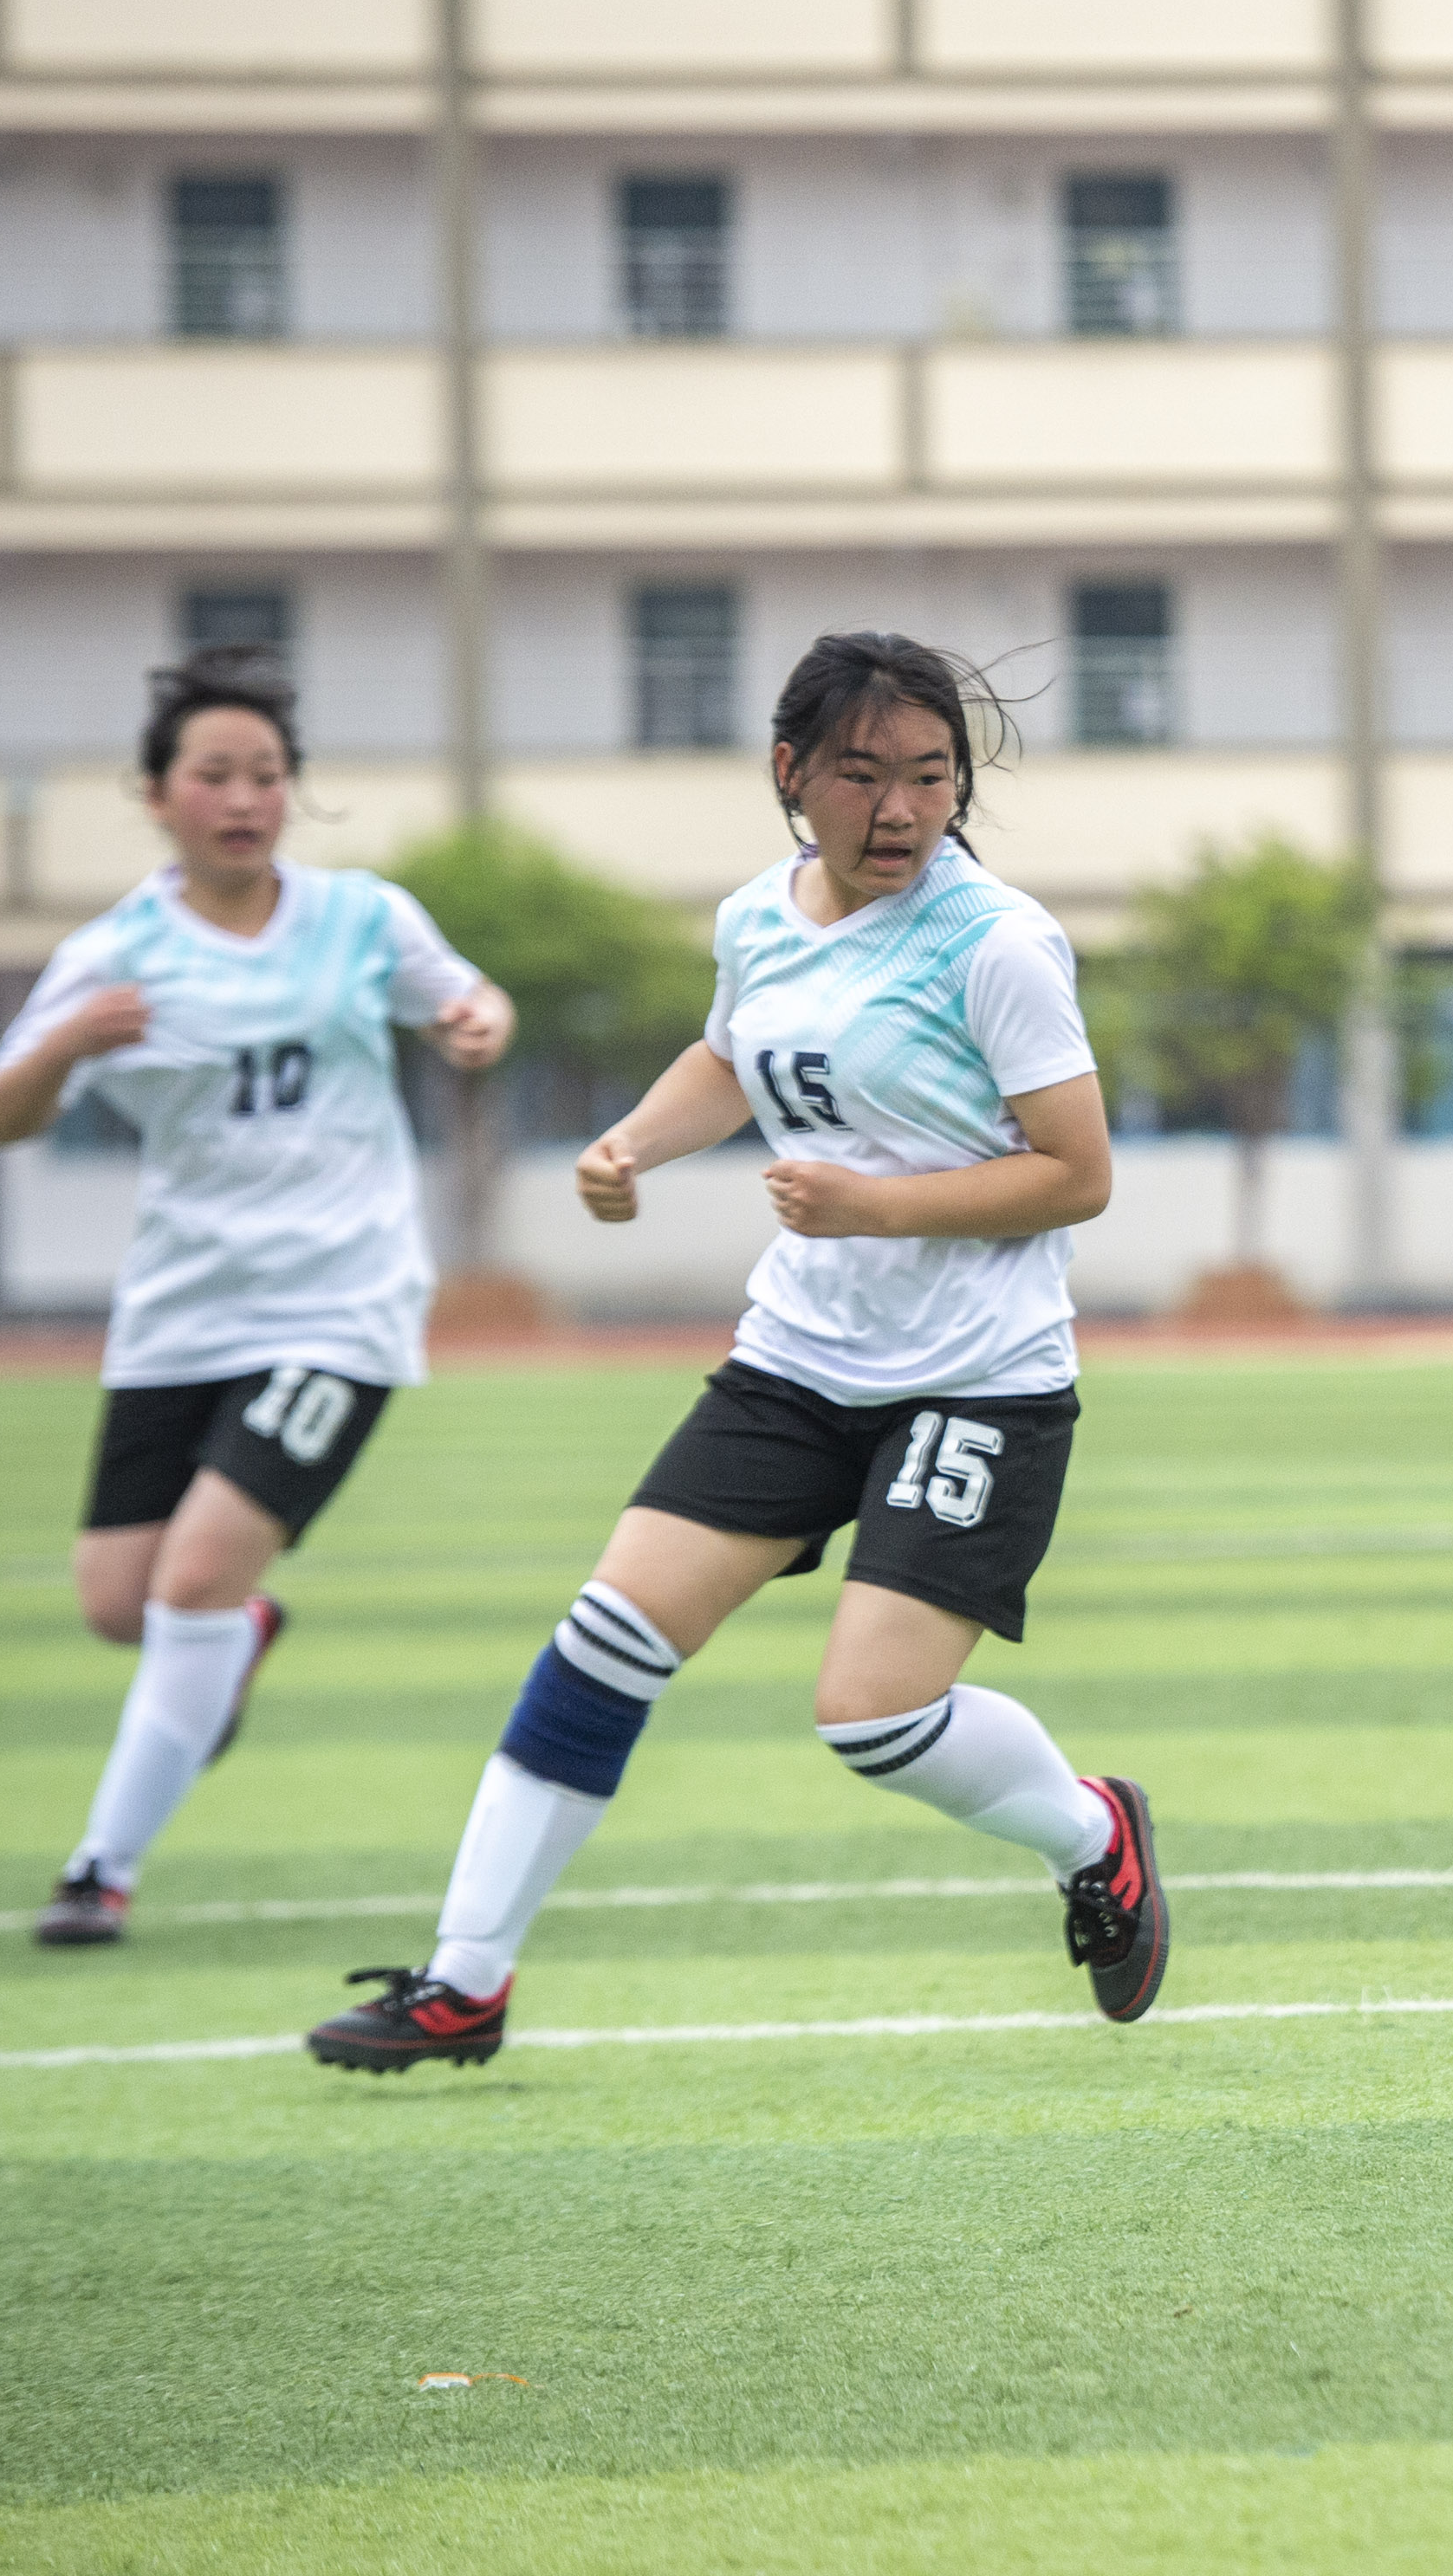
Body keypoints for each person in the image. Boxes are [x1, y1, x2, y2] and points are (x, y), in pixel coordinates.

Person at [303, 631, 1163, 2072]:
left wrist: (875, 1206)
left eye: (931, 776)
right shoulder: (758, 916)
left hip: (975, 1382)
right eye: (863, 774)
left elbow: (1077, 1174)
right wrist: (633, 1143)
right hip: (798, 1361)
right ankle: (464, 1984)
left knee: (871, 1720)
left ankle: (1094, 1835)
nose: (900, 809)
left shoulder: (997, 942)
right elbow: (732, 1055)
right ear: (791, 773)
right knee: (605, 1640)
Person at [0, 646, 515, 1948]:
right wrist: (65, 1043)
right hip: (182, 1310)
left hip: (341, 1305)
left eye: (266, 775)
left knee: (193, 1582)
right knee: (121, 1604)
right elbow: (2, 1114)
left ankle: (99, 1873)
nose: (243, 798)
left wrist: (478, 1023)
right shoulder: (116, 952)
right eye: (214, 774)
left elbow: (467, 998)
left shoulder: (361, 918)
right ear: (157, 794)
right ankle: (240, 1632)